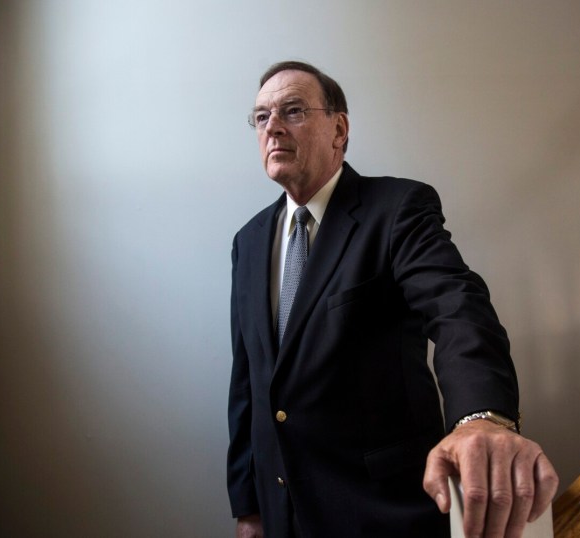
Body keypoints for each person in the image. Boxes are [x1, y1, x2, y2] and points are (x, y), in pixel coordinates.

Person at [227, 60, 558, 538]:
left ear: (338, 129)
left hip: (381, 511)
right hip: (283, 515)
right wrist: (249, 506)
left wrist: (481, 418)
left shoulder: (398, 209)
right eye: (261, 117)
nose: (273, 127)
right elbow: (248, 380)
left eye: (293, 110)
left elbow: (457, 308)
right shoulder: (249, 240)